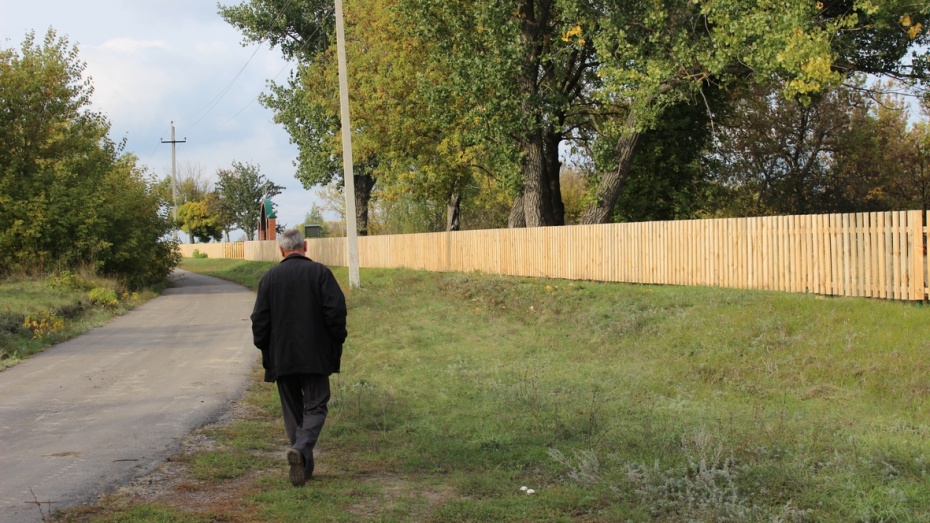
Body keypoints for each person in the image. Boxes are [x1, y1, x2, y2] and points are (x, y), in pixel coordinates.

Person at [250, 229, 348, 486]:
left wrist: (266, 348)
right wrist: (336, 340)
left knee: (293, 414)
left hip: (282, 356)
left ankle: (303, 468)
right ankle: (302, 448)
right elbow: (335, 312)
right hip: (315, 355)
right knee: (316, 406)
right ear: (305, 247)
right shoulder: (320, 273)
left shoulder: (269, 278)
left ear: (281, 250)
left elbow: (259, 321)